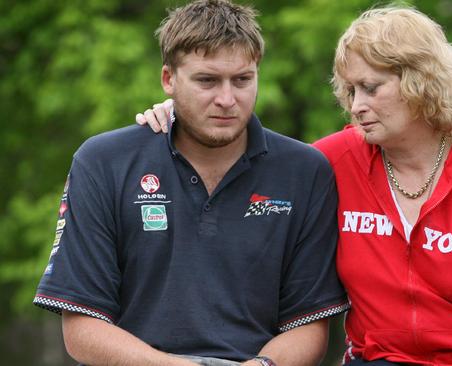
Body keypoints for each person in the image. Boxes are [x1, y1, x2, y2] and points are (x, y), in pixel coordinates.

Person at [137, 5, 452, 366]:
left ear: (422, 82)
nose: (356, 105)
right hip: (378, 360)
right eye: (350, 90)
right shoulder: (333, 160)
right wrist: (183, 114)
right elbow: (250, 160)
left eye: (372, 88)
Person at [33, 1, 349, 365]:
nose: (227, 99)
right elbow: (81, 328)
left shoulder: (305, 170)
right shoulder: (104, 162)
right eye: (207, 80)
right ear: (168, 79)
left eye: (242, 80)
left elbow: (309, 326)